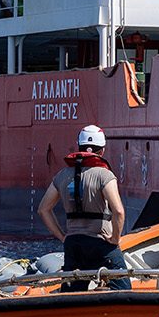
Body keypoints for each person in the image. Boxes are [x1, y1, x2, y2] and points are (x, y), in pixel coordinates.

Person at [37, 124, 128, 291]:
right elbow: (119, 211)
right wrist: (115, 238)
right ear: (102, 151)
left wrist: (63, 237)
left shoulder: (62, 175)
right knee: (122, 286)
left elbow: (43, 209)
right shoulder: (105, 175)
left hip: (73, 243)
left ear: (79, 147)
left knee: (71, 293)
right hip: (100, 242)